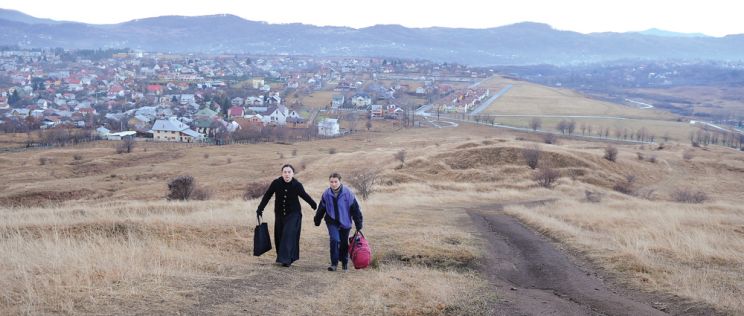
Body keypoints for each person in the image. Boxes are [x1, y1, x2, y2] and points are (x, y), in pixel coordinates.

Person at [256, 164, 317, 267]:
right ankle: (287, 257)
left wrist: (314, 205)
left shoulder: (297, 185)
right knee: (279, 235)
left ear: (293, 174)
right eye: (285, 172)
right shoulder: (276, 183)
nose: (287, 174)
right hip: (279, 214)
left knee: (288, 234)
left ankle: (286, 259)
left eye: (289, 172)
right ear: (282, 173)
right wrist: (260, 209)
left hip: (294, 214)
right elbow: (267, 195)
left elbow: (304, 195)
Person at [314, 172, 363, 272]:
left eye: (335, 181)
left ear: (340, 181)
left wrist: (358, 224)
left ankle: (345, 263)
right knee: (335, 240)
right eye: (331, 182)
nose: (333, 184)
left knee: (344, 243)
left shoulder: (348, 193)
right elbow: (321, 208)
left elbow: (355, 209)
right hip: (331, 221)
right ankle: (334, 264)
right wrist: (317, 219)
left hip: (345, 222)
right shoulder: (326, 194)